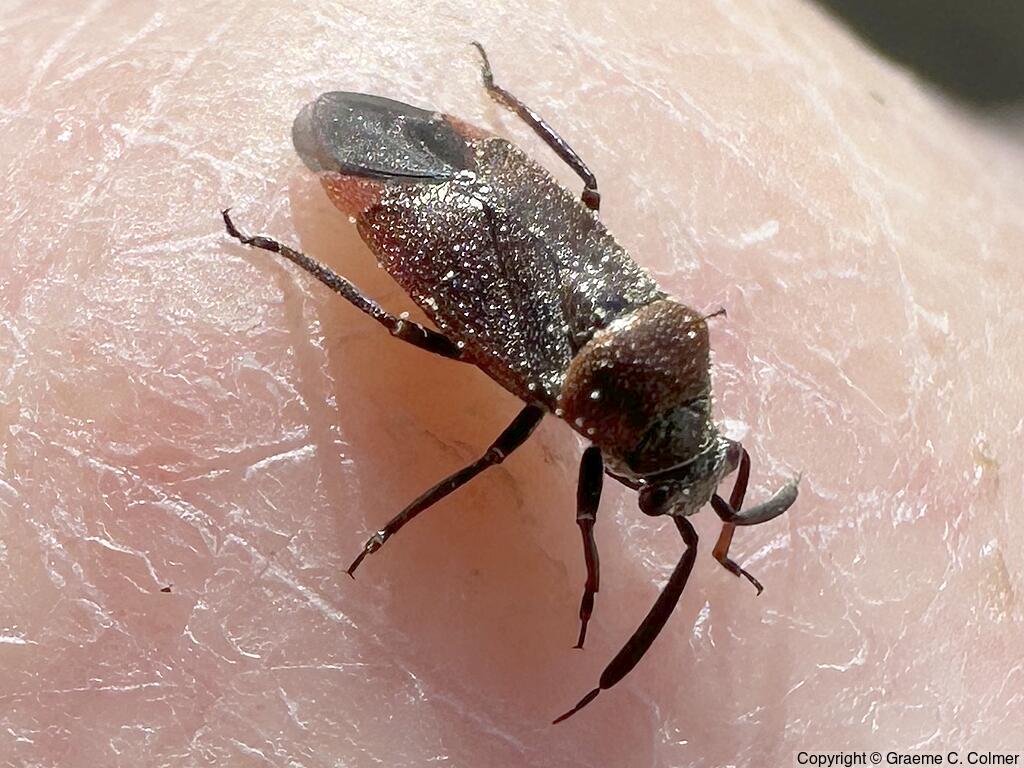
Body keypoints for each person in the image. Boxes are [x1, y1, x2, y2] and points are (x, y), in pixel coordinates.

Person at [2, 2, 1022, 765]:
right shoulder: (582, 392)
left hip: (502, 209)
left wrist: (709, 524)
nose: (684, 488)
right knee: (410, 335)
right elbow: (584, 519)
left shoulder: (664, 335)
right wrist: (572, 568)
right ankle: (286, 247)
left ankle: (486, 111)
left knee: (574, 206)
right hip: (447, 224)